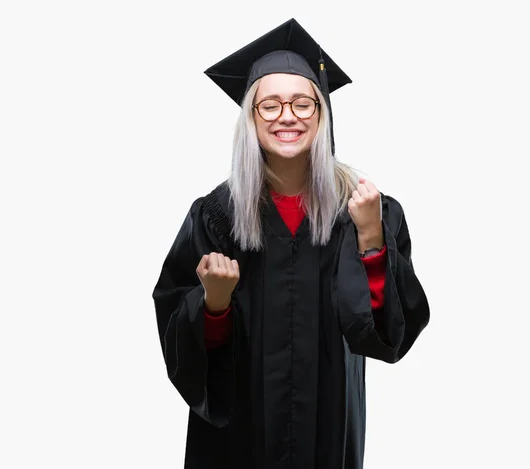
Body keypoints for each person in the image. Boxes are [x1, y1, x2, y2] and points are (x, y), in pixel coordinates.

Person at [152, 18, 430, 469]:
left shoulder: (364, 210)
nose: (287, 116)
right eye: (270, 105)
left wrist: (372, 241)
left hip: (328, 428)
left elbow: (388, 339)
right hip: (237, 441)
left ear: (322, 115)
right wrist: (215, 306)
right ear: (251, 117)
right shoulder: (216, 216)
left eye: (303, 104)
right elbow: (181, 346)